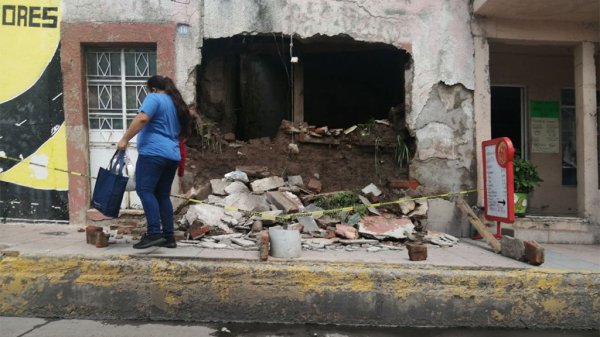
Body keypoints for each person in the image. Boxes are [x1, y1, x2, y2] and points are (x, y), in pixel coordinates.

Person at [117, 75, 193, 249]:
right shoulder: (175, 103)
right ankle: (168, 236)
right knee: (162, 195)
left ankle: (153, 233)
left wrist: (125, 139)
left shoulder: (154, 98)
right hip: (172, 155)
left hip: (153, 154)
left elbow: (142, 118)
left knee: (144, 190)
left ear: (152, 88)